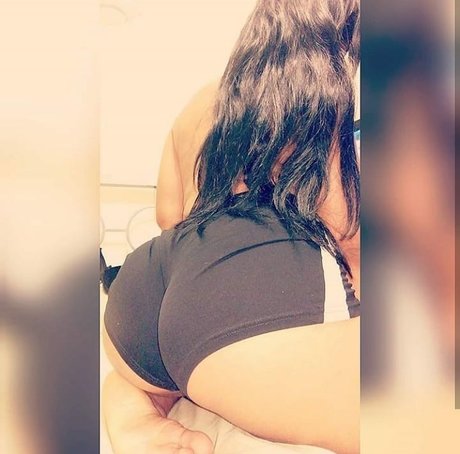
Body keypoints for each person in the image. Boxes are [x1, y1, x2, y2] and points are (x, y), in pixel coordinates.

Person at [103, 1, 360, 453]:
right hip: (237, 286)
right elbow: (342, 226)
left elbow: (168, 216)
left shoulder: (200, 103)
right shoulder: (320, 95)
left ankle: (132, 406)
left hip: (141, 291)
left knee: (187, 352)